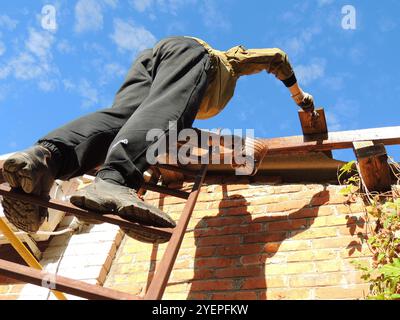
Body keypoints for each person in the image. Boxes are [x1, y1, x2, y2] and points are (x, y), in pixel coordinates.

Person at [1, 36, 315, 242]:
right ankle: (116, 181)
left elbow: (150, 126)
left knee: (123, 117)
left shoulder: (167, 93)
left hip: (151, 58)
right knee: (165, 112)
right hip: (191, 52)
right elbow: (277, 56)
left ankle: (45, 158)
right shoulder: (230, 61)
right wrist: (299, 97)